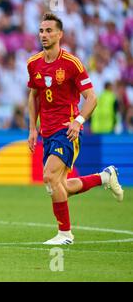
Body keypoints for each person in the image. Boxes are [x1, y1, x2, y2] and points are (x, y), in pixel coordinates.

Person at [27, 13, 124, 245]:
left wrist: (78, 121)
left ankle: (65, 234)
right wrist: (32, 128)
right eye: (41, 31)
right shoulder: (33, 63)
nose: (44, 35)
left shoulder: (71, 63)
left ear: (60, 34)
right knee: (59, 186)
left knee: (49, 177)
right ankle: (104, 177)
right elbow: (34, 96)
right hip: (47, 132)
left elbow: (91, 97)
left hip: (67, 130)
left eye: (49, 31)